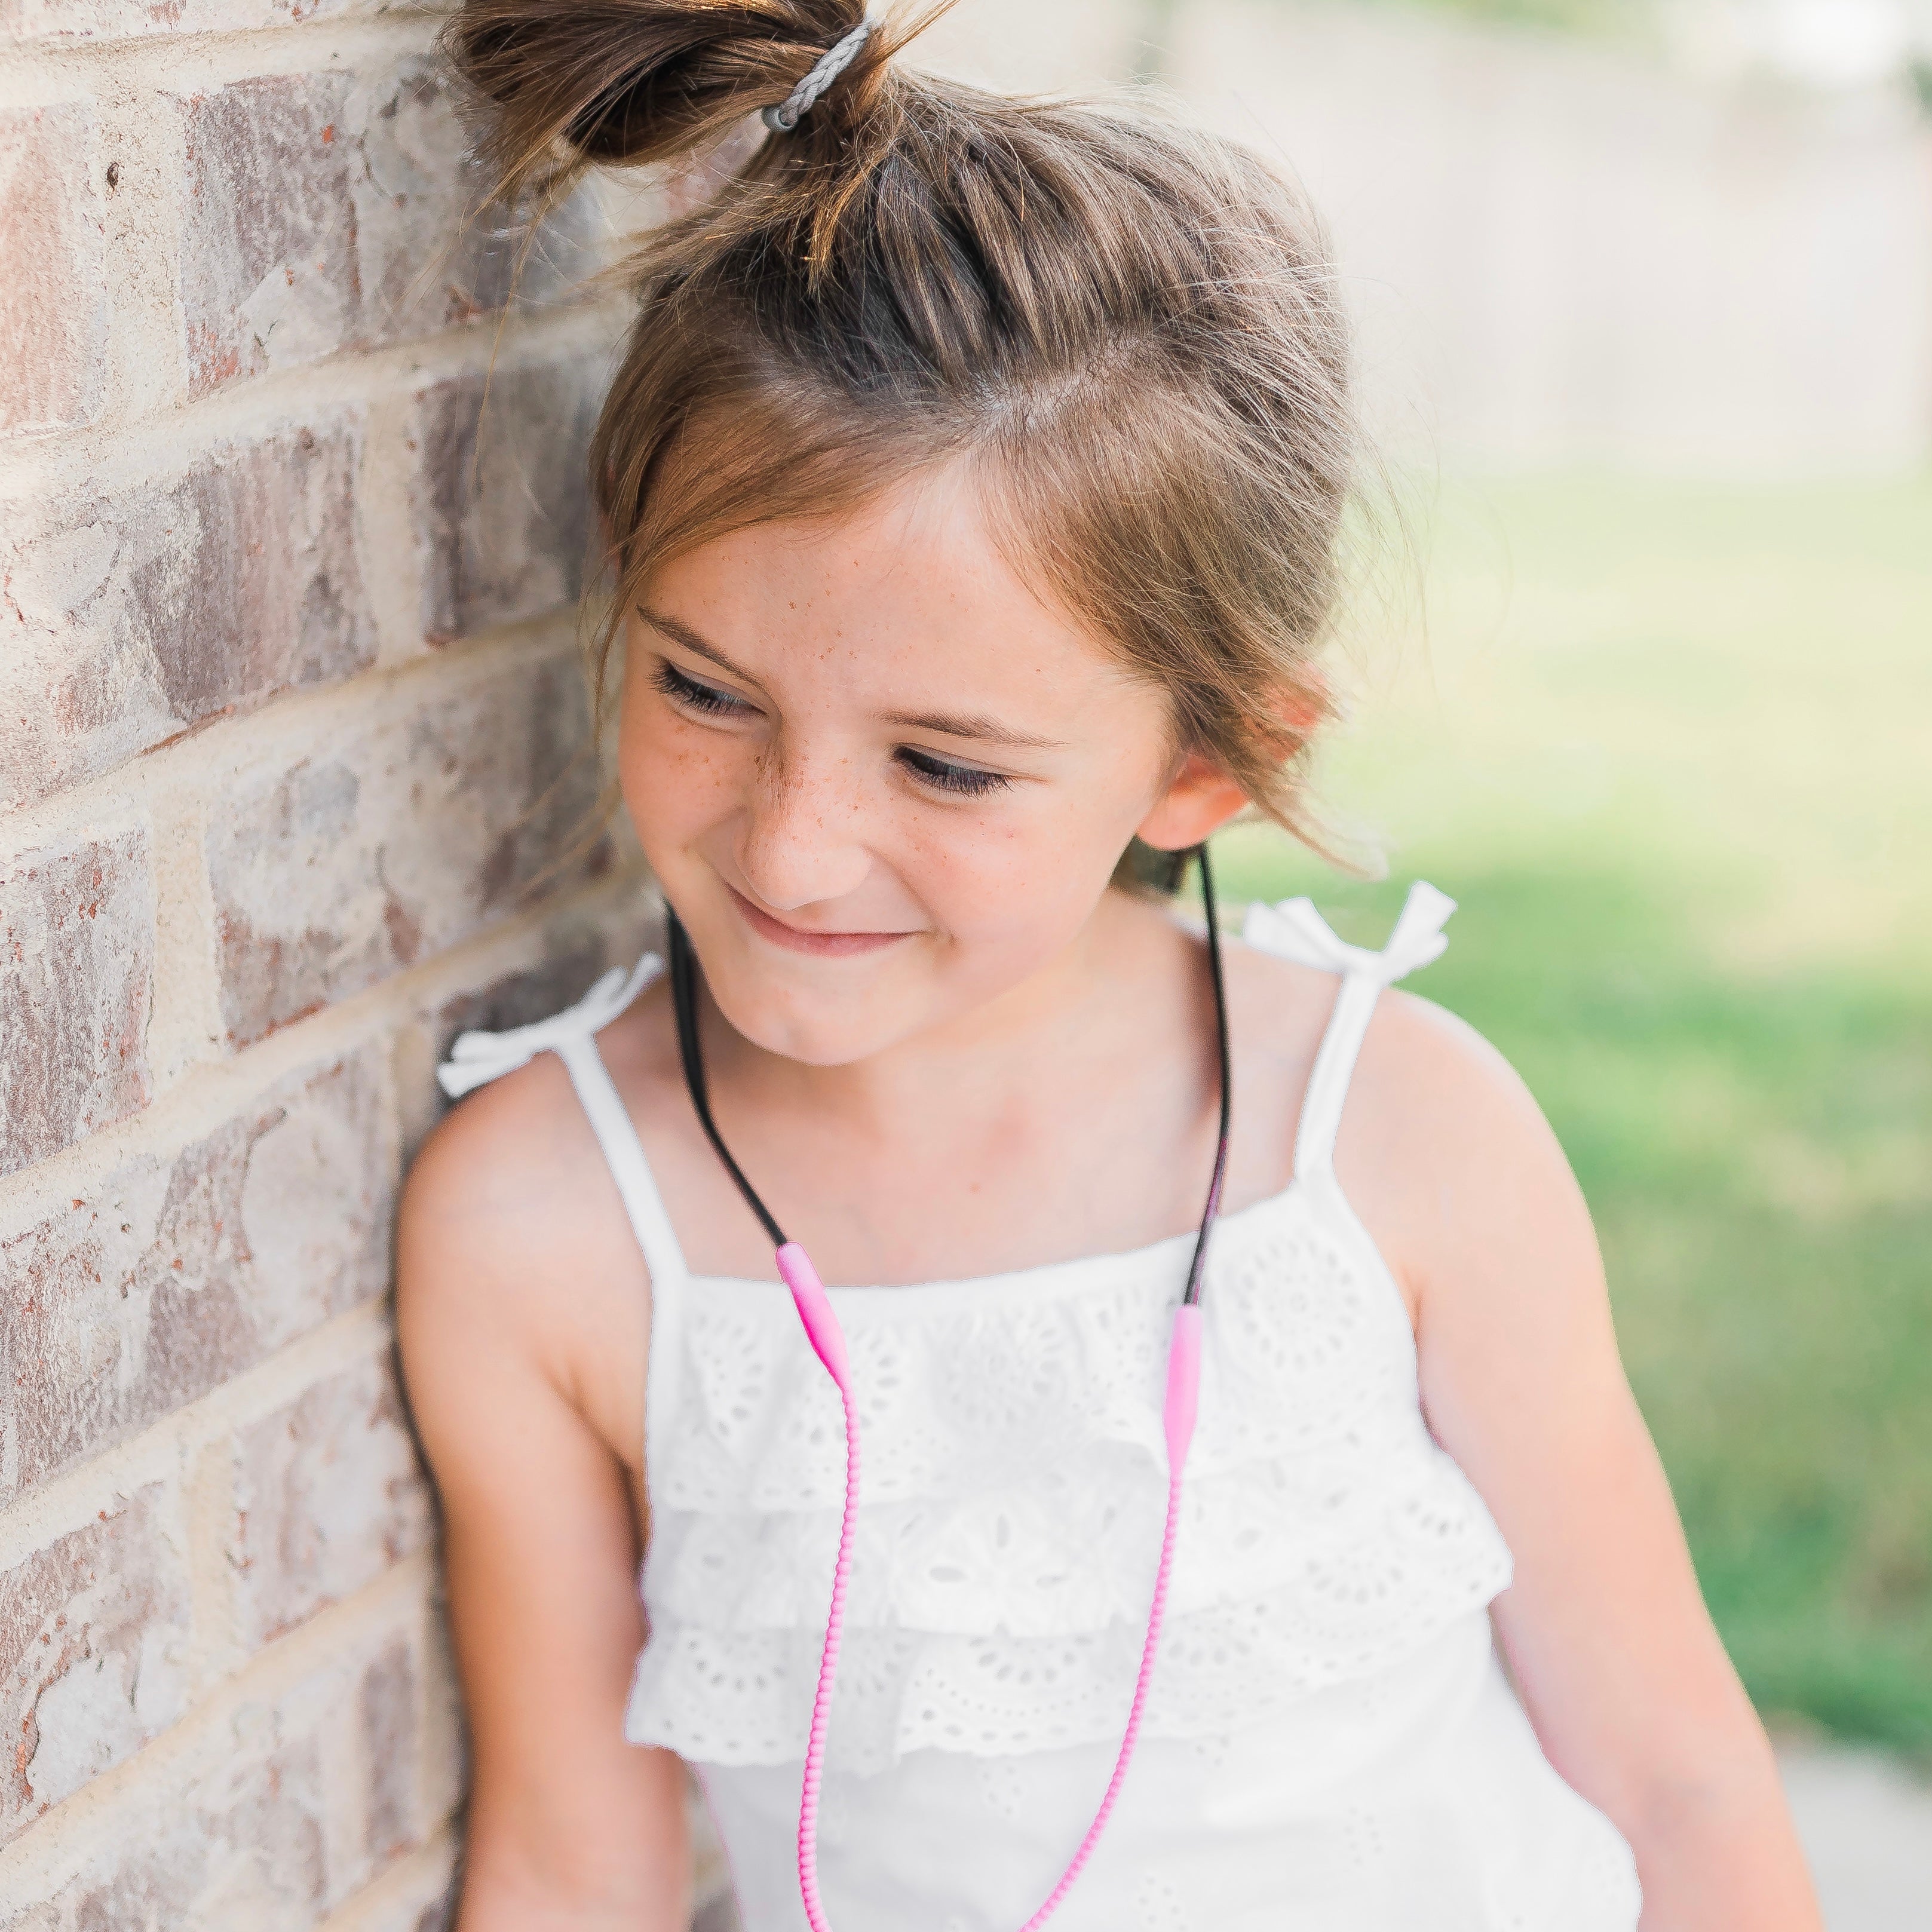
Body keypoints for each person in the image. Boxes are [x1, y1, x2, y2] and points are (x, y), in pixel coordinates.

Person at [397, 5, 1823, 1927]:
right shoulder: (547, 1227)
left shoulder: (1394, 1135)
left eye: (946, 761)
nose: (794, 840)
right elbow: (575, 1872)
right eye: (704, 689)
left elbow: (1675, 1775)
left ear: (1207, 757)